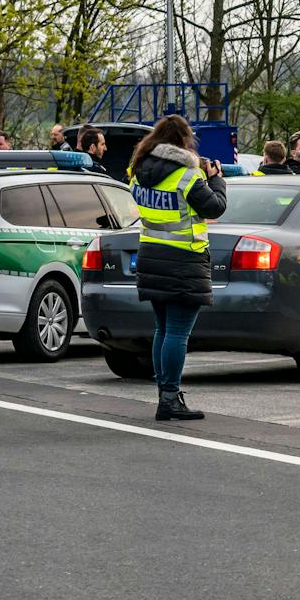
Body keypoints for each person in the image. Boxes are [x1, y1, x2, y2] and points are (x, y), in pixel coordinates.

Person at [131, 114, 229, 422]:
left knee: (163, 329)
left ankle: (165, 394)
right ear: (183, 141)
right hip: (184, 259)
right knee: (176, 331)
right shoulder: (186, 175)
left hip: (150, 254)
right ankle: (170, 398)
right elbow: (214, 207)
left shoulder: (138, 172)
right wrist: (216, 179)